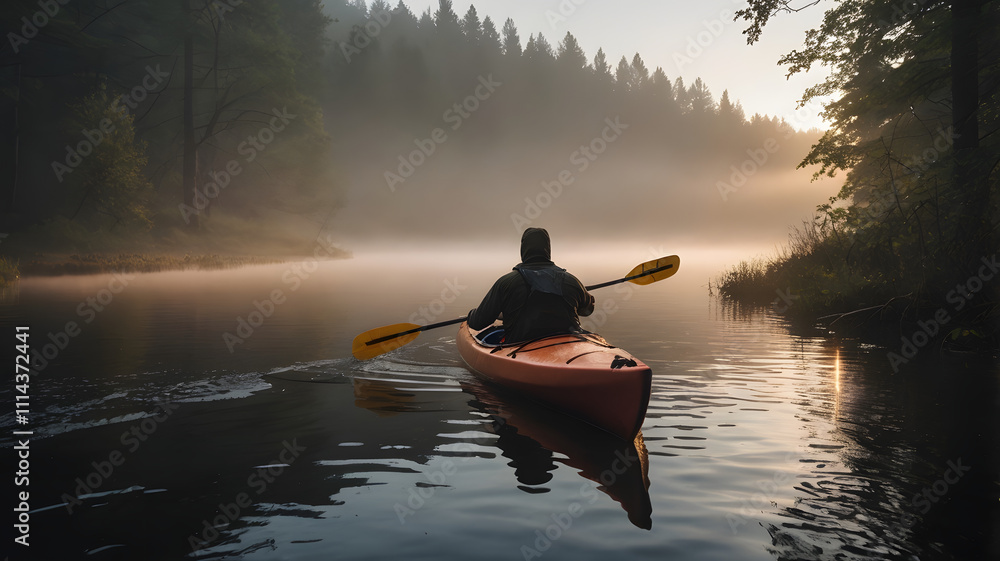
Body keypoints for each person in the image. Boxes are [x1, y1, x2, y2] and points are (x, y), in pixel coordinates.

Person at [467, 227, 595, 342]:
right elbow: (587, 310)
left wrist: (472, 314)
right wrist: (583, 295)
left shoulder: (506, 283)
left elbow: (477, 323)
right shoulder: (571, 281)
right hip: (569, 342)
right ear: (548, 250)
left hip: (521, 343)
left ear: (523, 249)